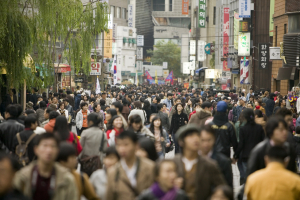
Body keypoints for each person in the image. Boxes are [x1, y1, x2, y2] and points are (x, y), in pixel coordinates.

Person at [13, 133, 78, 200]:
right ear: (36, 149)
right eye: (45, 145)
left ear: (58, 151)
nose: (49, 150)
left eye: (53, 146)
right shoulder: (22, 177)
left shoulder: (67, 179)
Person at [173, 124, 226, 200]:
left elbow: (222, 188)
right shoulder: (173, 163)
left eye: (198, 135)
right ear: (181, 141)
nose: (195, 139)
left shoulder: (209, 164)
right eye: (191, 136)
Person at [106, 131, 155, 200]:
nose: (122, 149)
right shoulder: (113, 172)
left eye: (126, 144)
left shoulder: (150, 167)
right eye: (119, 145)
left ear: (136, 145)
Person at [233, 109, 265, 184]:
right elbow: (263, 141)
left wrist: (236, 155)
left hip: (246, 156)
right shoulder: (259, 128)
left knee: (248, 176)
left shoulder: (243, 129)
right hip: (258, 155)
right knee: (257, 175)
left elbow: (241, 144)